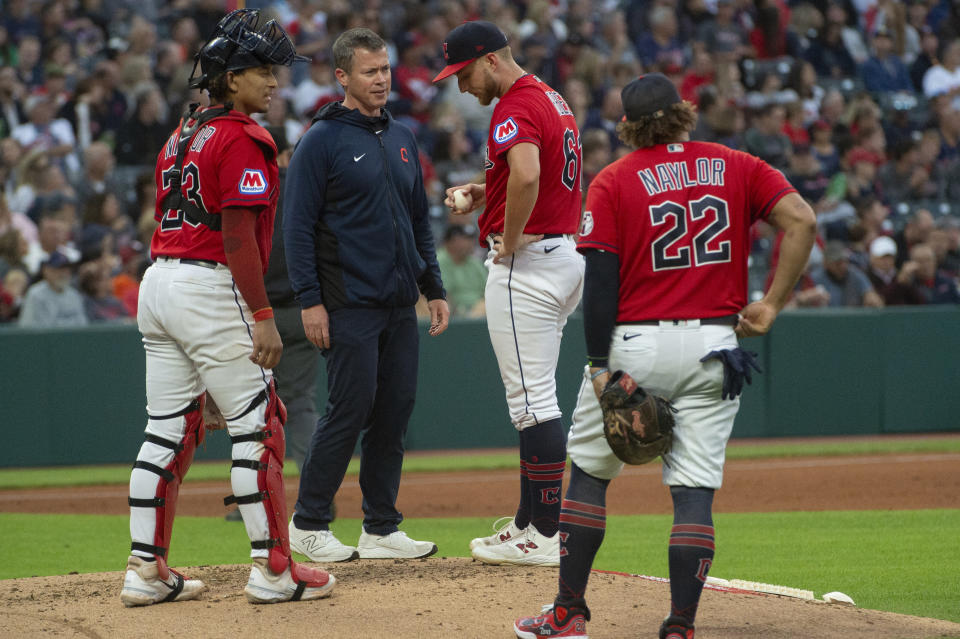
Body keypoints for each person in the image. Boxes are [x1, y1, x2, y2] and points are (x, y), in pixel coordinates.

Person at [513, 73, 816, 638]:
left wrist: (599, 365)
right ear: (684, 112)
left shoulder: (614, 180)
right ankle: (680, 626)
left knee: (589, 476)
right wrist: (772, 304)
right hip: (715, 348)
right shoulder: (737, 164)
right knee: (694, 490)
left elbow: (600, 284)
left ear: (627, 126)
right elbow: (801, 219)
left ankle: (569, 613)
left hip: (637, 344)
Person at [120, 9, 335, 608]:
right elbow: (239, 237)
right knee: (260, 425)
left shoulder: (182, 132)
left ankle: (145, 568)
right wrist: (263, 316)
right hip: (209, 285)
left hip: (160, 282)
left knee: (165, 431)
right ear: (231, 77)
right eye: (262, 70)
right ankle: (274, 570)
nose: (273, 81)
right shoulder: (241, 135)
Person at [283, 27, 449, 563]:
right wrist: (310, 301)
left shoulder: (402, 137)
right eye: (370, 72)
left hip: (399, 302)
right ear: (341, 77)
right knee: (349, 409)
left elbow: (419, 221)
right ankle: (308, 522)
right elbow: (296, 228)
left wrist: (434, 288)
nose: (381, 80)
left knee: (395, 410)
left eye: (385, 70)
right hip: (347, 302)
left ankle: (380, 527)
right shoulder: (320, 140)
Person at [433, 20, 586, 566]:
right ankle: (528, 522)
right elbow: (523, 174)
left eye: (465, 71)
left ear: (492, 60)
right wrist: (484, 192)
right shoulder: (550, 95)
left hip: (531, 262)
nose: (461, 86)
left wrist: (511, 238)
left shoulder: (514, 104)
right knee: (532, 398)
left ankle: (546, 533)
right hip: (560, 255)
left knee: (532, 402)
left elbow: (526, 175)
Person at [17, 249, 87, 327]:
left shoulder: (74, 295)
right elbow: (28, 328)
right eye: (59, 269)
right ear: (46, 271)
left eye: (66, 269)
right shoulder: (36, 295)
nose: (63, 273)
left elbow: (83, 325)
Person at [435, 223, 487, 317]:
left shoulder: (475, 263)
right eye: (464, 239)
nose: (469, 243)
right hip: (449, 312)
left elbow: (487, 290)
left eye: (470, 239)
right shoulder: (438, 260)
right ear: (450, 241)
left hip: (477, 311)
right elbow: (441, 294)